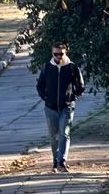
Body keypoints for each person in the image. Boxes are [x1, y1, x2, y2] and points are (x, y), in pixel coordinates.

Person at [35, 41, 84, 172]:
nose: (58, 56)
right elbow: (40, 85)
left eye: (60, 54)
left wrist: (73, 97)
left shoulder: (72, 67)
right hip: (50, 108)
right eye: (55, 54)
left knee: (64, 133)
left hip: (66, 107)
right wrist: (44, 97)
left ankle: (62, 161)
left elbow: (80, 85)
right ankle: (55, 160)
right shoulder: (47, 67)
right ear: (52, 54)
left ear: (65, 53)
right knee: (53, 136)